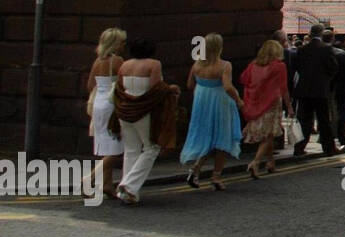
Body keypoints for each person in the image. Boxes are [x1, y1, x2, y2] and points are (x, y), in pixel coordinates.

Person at [110, 38, 179, 205]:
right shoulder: (154, 64)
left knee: (131, 149)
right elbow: (157, 88)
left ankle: (128, 193)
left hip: (125, 112)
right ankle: (128, 185)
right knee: (151, 148)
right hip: (145, 111)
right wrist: (172, 89)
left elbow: (119, 87)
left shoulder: (124, 65)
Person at [181, 33, 245, 190]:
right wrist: (238, 99)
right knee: (222, 138)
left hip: (201, 102)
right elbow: (228, 86)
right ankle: (216, 176)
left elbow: (189, 85)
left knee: (206, 136)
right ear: (219, 47)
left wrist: (201, 91)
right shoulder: (224, 65)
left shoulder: (197, 64)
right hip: (220, 102)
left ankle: (195, 169)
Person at [241, 39, 292, 178]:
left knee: (268, 133)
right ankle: (255, 163)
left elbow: (244, 80)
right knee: (269, 134)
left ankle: (271, 162)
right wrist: (290, 107)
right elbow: (284, 88)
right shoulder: (279, 66)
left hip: (256, 102)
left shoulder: (253, 65)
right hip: (273, 103)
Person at [86, 28, 126, 196]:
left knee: (106, 146)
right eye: (122, 42)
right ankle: (89, 179)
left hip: (98, 104)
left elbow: (90, 86)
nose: (124, 45)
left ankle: (107, 185)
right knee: (117, 149)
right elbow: (124, 84)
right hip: (112, 105)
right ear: (115, 44)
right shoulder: (117, 61)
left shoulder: (98, 61)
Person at [293, 24, 338, 155]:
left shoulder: (301, 49)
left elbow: (297, 67)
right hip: (320, 90)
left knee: (304, 121)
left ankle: (299, 147)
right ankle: (329, 148)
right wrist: (325, 80)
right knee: (323, 120)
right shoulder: (326, 49)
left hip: (304, 89)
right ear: (321, 34)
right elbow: (334, 68)